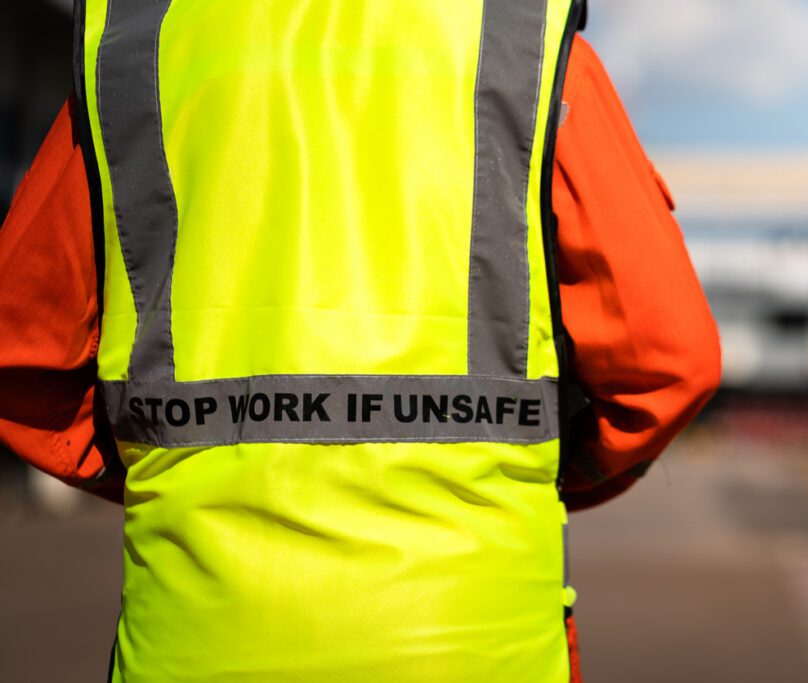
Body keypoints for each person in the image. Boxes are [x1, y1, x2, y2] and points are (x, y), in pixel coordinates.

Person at [0, 1, 720, 680]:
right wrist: (538, 465)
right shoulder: (521, 38)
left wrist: (164, 458)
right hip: (475, 645)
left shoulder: (138, 42)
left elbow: (21, 348)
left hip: (195, 645)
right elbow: (669, 359)